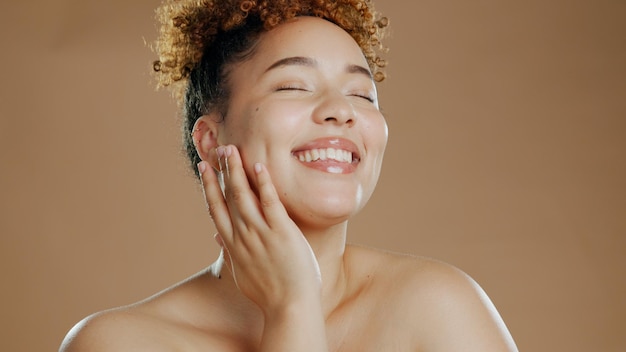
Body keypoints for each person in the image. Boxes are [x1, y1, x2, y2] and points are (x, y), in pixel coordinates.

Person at [60, 0, 518, 351]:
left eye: (362, 95)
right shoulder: (121, 343)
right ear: (210, 140)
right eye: (293, 86)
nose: (341, 111)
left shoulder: (438, 307)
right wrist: (292, 309)